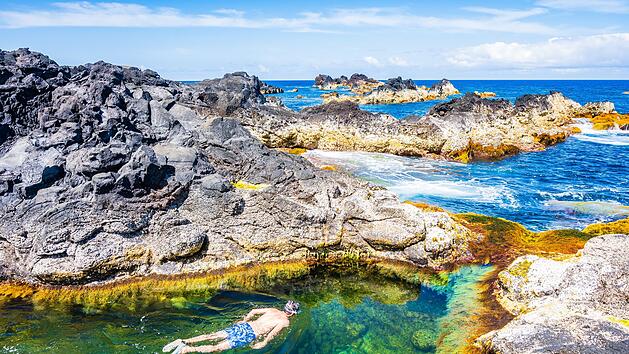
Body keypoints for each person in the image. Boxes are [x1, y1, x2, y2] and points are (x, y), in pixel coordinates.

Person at [163, 300, 300, 353]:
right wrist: (263, 342)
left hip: (244, 326)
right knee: (216, 347)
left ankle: (183, 341)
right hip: (249, 335)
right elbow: (273, 334)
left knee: (213, 335)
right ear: (293, 313)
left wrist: (243, 320)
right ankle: (185, 350)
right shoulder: (285, 322)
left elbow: (253, 311)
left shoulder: (273, 310)